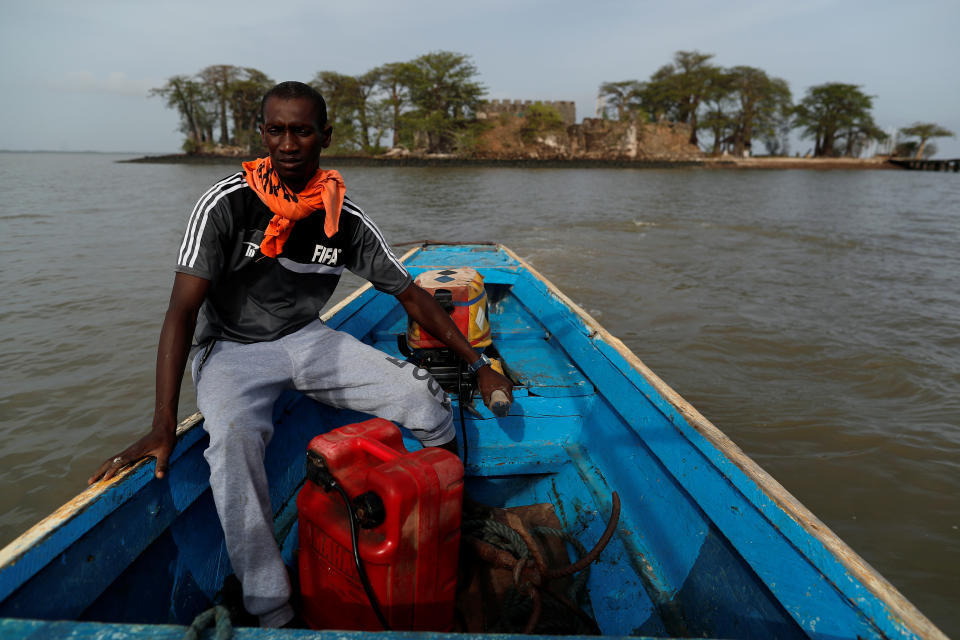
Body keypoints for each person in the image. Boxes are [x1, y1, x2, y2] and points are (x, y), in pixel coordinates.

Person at [89, 81, 512, 628]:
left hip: (308, 340)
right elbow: (180, 313)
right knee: (233, 446)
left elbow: (410, 294)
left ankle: (446, 512)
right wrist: (163, 422)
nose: (288, 143)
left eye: (302, 130)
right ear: (262, 133)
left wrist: (478, 367)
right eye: (276, 130)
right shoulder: (225, 204)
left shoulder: (347, 219)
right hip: (232, 350)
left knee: (422, 396)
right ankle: (273, 609)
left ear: (324, 136)